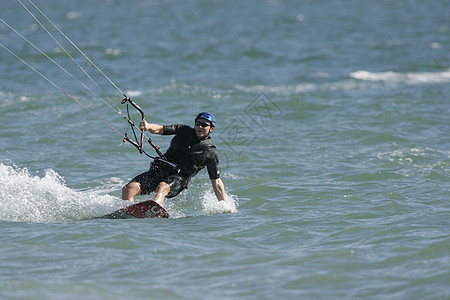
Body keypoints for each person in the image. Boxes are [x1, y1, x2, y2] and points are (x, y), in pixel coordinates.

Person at [122, 112, 230, 211]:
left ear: (211, 129)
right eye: (198, 123)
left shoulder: (210, 151)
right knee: (128, 188)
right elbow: (160, 129)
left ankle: (153, 211)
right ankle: (129, 212)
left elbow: (216, 180)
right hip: (160, 170)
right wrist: (148, 126)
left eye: (204, 125)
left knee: (162, 187)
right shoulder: (184, 130)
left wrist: (223, 203)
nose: (200, 127)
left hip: (179, 179)